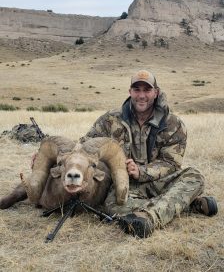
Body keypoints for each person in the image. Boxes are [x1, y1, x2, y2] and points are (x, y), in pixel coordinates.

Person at [80, 70, 218, 238]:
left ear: (156, 92)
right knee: (114, 205)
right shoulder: (110, 120)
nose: (142, 95)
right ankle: (186, 204)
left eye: (147, 90)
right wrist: (59, 156)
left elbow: (171, 163)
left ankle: (149, 218)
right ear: (130, 92)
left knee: (195, 177)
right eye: (137, 90)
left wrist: (141, 171)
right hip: (125, 184)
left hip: (159, 181)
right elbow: (85, 145)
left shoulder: (173, 124)